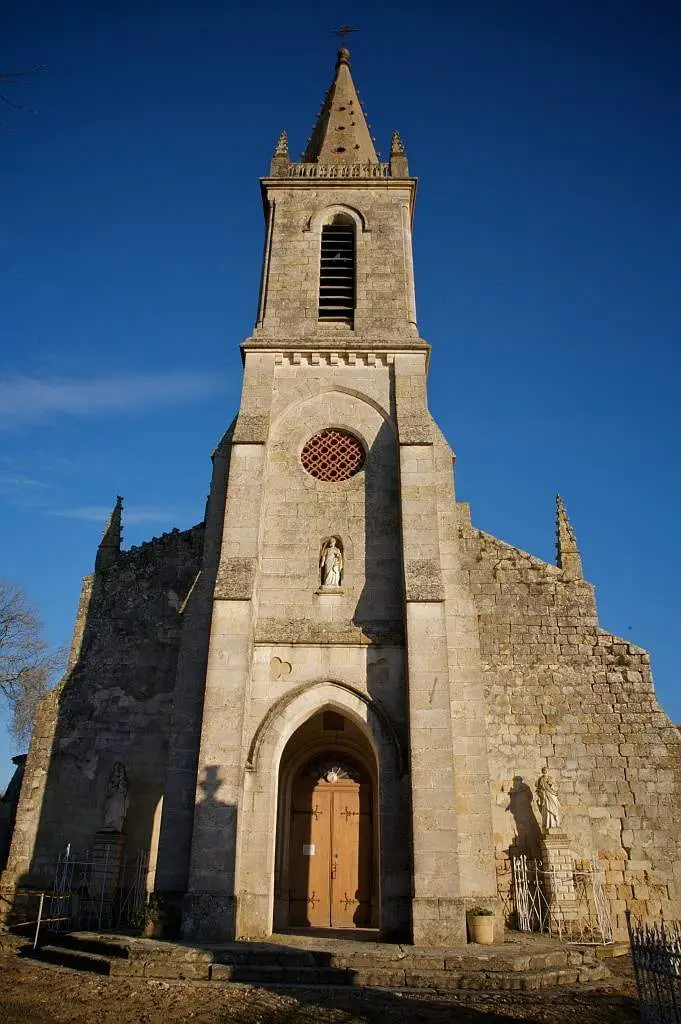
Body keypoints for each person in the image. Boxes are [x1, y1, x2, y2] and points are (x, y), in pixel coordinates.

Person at [536, 767, 561, 831]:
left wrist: (551, 785)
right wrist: (540, 794)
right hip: (545, 796)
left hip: (552, 795)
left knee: (554, 809)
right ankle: (548, 824)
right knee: (546, 810)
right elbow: (538, 789)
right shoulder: (540, 779)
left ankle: (554, 824)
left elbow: (555, 787)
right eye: (543, 770)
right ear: (542, 771)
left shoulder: (550, 778)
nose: (545, 771)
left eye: (546, 770)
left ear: (547, 771)